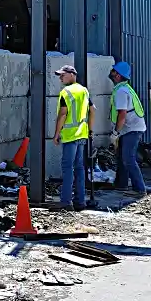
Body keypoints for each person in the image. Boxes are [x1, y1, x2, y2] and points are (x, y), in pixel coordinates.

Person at [53, 64, 95, 211]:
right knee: (79, 168)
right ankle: (80, 201)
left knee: (67, 168)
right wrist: (90, 129)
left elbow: (63, 114)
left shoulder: (66, 92)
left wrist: (56, 134)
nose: (60, 78)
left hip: (70, 136)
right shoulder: (84, 90)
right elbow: (92, 110)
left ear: (72, 74)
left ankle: (66, 202)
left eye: (62, 75)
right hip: (82, 135)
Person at [109, 61, 147, 196]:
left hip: (132, 128)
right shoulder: (125, 88)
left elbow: (122, 114)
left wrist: (115, 133)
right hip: (131, 128)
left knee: (128, 158)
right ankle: (121, 185)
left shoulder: (121, 91)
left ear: (118, 75)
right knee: (122, 157)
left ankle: (140, 189)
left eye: (113, 71)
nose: (111, 73)